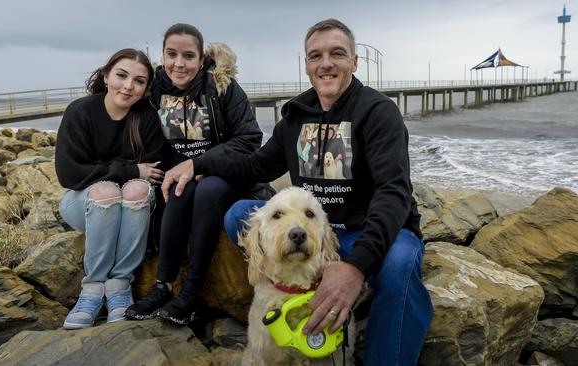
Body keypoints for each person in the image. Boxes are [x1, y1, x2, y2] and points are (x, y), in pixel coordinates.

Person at [163, 19, 433, 365]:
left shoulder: (378, 112)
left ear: (354, 61)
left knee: (399, 264)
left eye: (337, 54)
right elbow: (256, 167)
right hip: (305, 228)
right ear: (306, 64)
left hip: (363, 231)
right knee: (238, 215)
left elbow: (393, 194)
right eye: (315, 56)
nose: (326, 64)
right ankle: (284, 288)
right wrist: (199, 164)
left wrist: (354, 267)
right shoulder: (296, 115)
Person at [125, 23, 269, 326]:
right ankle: (163, 287)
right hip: (177, 176)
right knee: (176, 189)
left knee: (204, 190)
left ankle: (190, 293)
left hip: (220, 174)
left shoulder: (221, 86)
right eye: (172, 54)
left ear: (201, 59)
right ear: (162, 55)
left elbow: (249, 137)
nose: (180, 63)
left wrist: (202, 163)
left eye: (188, 56)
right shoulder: (153, 87)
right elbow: (115, 94)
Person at [55, 48, 174, 329]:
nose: (128, 86)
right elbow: (70, 174)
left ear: (145, 89)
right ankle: (92, 290)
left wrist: (121, 173)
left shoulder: (145, 116)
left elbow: (154, 171)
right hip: (81, 203)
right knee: (107, 191)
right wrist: (130, 169)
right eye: (121, 76)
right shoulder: (81, 111)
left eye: (139, 81)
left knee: (138, 191)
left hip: (128, 203)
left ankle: (120, 286)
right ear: (107, 76)